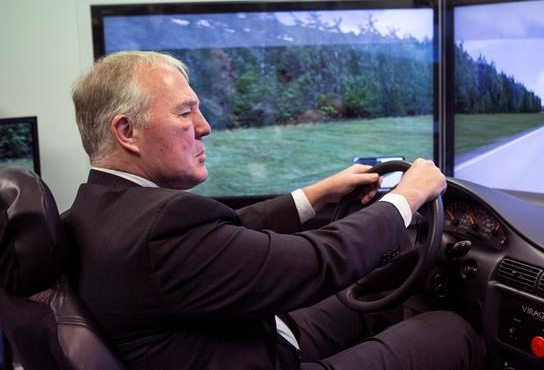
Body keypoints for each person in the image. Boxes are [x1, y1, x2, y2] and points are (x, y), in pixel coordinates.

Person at [66, 50, 481, 370]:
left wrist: (317, 194)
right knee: (450, 330)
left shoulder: (94, 211)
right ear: (127, 131)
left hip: (240, 340)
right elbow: (318, 263)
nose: (204, 126)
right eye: (185, 112)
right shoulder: (160, 228)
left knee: (368, 293)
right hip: (261, 358)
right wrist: (407, 198)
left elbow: (226, 237)